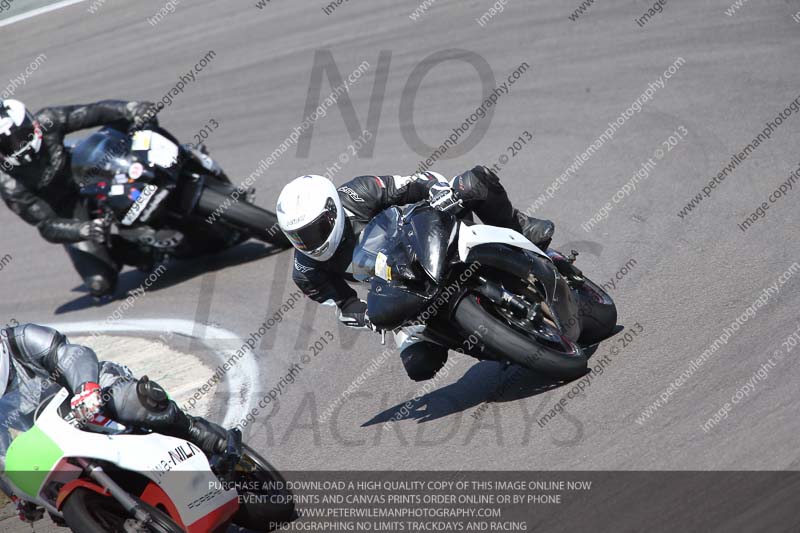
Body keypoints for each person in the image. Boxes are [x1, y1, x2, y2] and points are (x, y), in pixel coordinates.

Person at [276, 165, 555, 382]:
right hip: (396, 286)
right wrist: (366, 316)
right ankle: (497, 342)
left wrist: (439, 192)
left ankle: (520, 227)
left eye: (314, 230)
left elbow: (418, 182)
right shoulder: (306, 271)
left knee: (474, 181)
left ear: (332, 208)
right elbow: (345, 305)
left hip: (426, 237)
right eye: (298, 237)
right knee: (419, 365)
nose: (309, 243)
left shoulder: (358, 192)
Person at [0, 323, 232, 510]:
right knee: (52, 497)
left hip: (93, 393)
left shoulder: (21, 338)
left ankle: (196, 432)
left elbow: (74, 355)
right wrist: (16, 493)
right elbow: (2, 456)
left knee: (128, 401)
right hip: (57, 439)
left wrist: (86, 388)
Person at [0, 98, 157, 298]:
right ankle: (135, 249)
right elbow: (46, 225)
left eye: (20, 136)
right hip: (69, 211)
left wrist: (130, 108)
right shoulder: (9, 184)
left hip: (89, 172)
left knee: (133, 124)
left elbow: (93, 111)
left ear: (32, 124)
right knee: (100, 284)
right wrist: (83, 230)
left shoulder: (49, 120)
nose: (18, 146)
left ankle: (185, 161)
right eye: (6, 145)